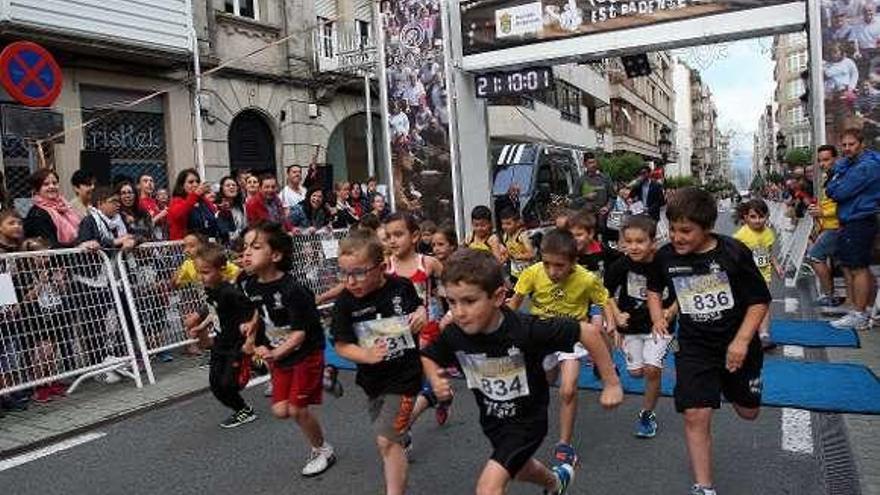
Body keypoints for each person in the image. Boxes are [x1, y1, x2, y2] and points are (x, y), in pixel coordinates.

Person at [421, 249, 623, 495]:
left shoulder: (526, 330)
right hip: (493, 420)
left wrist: (611, 383)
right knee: (519, 468)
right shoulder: (456, 333)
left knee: (488, 488)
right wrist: (434, 378)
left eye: (469, 301)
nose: (459, 312)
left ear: (497, 297)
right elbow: (429, 356)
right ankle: (556, 483)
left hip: (527, 421)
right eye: (452, 302)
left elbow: (588, 333)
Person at [646, 187, 771, 495]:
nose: (677, 237)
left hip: (737, 345)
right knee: (695, 413)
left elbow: (759, 301)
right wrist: (657, 316)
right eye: (672, 229)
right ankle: (704, 486)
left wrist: (741, 341)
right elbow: (653, 288)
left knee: (748, 412)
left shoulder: (733, 252)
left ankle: (728, 385)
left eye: (686, 231)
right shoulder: (665, 256)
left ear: (707, 227)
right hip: (694, 346)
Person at [330, 229, 427, 495]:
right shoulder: (345, 303)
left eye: (359, 273)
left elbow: (419, 307)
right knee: (389, 435)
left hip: (405, 376)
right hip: (373, 382)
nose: (351, 281)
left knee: (386, 441)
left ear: (382, 267)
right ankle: (426, 403)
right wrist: (366, 355)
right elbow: (341, 345)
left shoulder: (401, 287)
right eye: (344, 273)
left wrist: (420, 314)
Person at [507, 229, 614, 466]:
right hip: (542, 336)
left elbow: (603, 298)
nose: (552, 271)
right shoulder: (532, 273)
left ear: (574, 263)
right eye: (547, 264)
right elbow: (513, 305)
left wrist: (611, 321)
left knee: (568, 389)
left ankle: (564, 444)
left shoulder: (586, 278)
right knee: (542, 387)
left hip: (572, 336)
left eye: (559, 266)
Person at [239, 222, 336, 476]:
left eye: (256, 247)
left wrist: (274, 353)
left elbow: (300, 334)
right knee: (280, 410)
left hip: (305, 352)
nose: (246, 252)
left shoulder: (293, 290)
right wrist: (251, 334)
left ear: (276, 255)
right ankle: (324, 377)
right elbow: (260, 312)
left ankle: (322, 450)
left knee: (297, 410)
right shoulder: (250, 284)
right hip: (280, 353)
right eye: (245, 246)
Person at [605, 216, 676, 438]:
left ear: (653, 241)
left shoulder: (667, 263)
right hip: (631, 326)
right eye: (629, 241)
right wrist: (616, 315)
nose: (633, 247)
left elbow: (684, 292)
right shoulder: (621, 264)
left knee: (652, 369)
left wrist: (670, 311)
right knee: (636, 373)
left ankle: (647, 414)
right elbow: (603, 293)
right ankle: (632, 366)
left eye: (640, 241)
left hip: (659, 327)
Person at [382, 213, 450, 429]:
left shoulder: (428, 262)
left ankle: (405, 427)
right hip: (400, 334)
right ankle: (441, 397)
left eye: (398, 234)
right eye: (389, 236)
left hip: (429, 331)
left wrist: (450, 315)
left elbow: (453, 288)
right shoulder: (385, 267)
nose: (392, 240)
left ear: (414, 236)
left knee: (420, 381)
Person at [185, 244, 260, 428]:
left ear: (221, 269)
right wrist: (201, 326)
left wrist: (250, 339)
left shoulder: (230, 292)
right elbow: (214, 312)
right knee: (215, 384)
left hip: (236, 343)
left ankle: (257, 365)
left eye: (206, 272)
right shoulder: (211, 290)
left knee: (228, 383)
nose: (202, 277)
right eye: (199, 272)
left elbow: (253, 313)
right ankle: (243, 410)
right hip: (220, 343)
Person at [826, 128, 880, 331]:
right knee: (855, 267)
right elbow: (832, 187)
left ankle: (860, 313)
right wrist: (836, 181)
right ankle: (866, 309)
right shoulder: (852, 164)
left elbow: (838, 191)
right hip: (853, 219)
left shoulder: (866, 167)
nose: (847, 149)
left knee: (858, 268)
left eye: (852, 144)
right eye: (845, 145)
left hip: (859, 219)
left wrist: (836, 181)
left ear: (861, 144)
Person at [733, 199, 783, 346]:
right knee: (746, 304)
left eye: (761, 217)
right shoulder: (741, 235)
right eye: (753, 217)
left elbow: (769, 253)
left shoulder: (768, 233)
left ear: (767, 217)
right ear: (746, 217)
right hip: (746, 276)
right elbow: (733, 255)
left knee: (763, 303)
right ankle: (743, 331)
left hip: (764, 274)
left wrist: (777, 266)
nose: (757, 221)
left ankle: (764, 334)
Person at [807, 145, 846, 308]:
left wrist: (822, 212)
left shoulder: (841, 176)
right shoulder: (830, 176)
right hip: (829, 225)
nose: (823, 164)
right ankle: (834, 295)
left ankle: (830, 295)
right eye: (820, 160)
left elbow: (842, 203)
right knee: (847, 265)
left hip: (836, 226)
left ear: (835, 159)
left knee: (815, 256)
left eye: (826, 159)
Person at [24, 169, 82, 248]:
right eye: (46, 184)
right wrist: (78, 246)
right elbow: (48, 245)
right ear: (37, 190)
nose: (52, 187)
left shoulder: (65, 206)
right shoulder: (37, 214)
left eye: (54, 183)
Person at [167, 169, 218, 241]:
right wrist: (195, 195)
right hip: (186, 246)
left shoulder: (203, 201)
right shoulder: (177, 201)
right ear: (182, 185)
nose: (195, 184)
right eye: (191, 182)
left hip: (206, 244)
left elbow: (213, 214)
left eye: (197, 182)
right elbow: (179, 214)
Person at [499, 208, 533, 287]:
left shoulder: (522, 236)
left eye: (508, 224)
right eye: (503, 224)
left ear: (518, 223)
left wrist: (517, 256)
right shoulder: (505, 236)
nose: (505, 227)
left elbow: (531, 254)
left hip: (527, 272)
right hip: (515, 272)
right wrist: (503, 259)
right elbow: (509, 252)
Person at [572, 152, 615, 217]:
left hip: (603, 217)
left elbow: (613, 197)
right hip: (587, 218)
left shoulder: (605, 178)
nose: (593, 165)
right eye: (590, 163)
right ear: (585, 164)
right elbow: (574, 201)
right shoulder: (580, 180)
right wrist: (585, 197)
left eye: (594, 162)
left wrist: (607, 207)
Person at [216, 176, 247, 243]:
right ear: (222, 189)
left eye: (234, 185)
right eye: (228, 185)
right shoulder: (217, 208)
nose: (231, 187)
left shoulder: (241, 207)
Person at [137, 173, 167, 240]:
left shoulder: (156, 202)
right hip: (148, 241)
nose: (149, 183)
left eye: (151, 181)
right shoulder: (138, 203)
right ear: (138, 186)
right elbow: (143, 226)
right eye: (145, 181)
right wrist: (160, 215)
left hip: (162, 238)